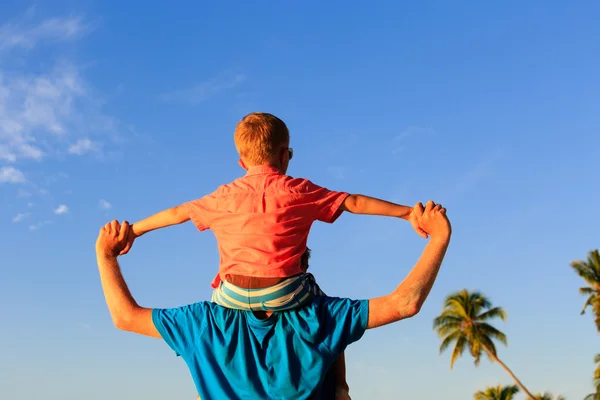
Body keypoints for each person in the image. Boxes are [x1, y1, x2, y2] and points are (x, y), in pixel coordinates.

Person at [118, 112, 430, 393]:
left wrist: (134, 230)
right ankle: (340, 387)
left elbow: (176, 213)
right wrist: (407, 213)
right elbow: (355, 203)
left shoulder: (222, 196)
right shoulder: (298, 189)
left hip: (231, 297)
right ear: (284, 155)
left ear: (242, 162)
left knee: (214, 307)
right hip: (286, 293)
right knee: (323, 304)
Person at [96, 200, 451, 399]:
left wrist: (106, 254)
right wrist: (438, 237)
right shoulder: (323, 318)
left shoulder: (201, 324)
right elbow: (405, 302)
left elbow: (125, 317)